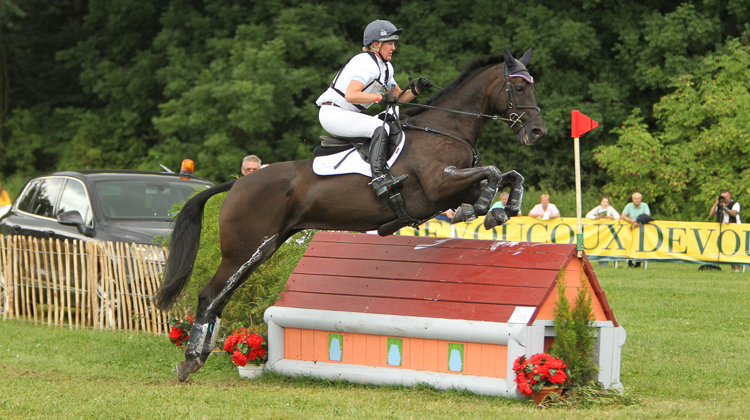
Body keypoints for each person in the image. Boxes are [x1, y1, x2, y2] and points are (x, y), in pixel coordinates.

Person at [316, 19, 433, 196]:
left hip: (346, 114)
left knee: (393, 124)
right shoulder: (365, 62)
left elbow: (399, 98)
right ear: (376, 45)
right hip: (333, 113)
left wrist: (417, 90)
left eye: (394, 43)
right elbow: (351, 95)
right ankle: (378, 178)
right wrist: (381, 97)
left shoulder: (386, 67)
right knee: (381, 127)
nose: (394, 48)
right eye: (390, 44)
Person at [709, 190, 742, 272]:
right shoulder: (719, 204)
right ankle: (733, 268)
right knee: (728, 249)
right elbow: (711, 213)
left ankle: (738, 268)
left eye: (726, 197)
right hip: (723, 229)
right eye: (723, 197)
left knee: (736, 248)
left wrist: (725, 209)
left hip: (735, 228)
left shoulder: (735, 204)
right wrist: (716, 203)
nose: (725, 199)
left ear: (729, 196)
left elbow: (734, 213)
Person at [621, 192, 651, 268]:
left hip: (641, 229)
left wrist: (638, 221)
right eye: (635, 198)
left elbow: (647, 216)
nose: (637, 200)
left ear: (640, 199)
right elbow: (623, 216)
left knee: (640, 245)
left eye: (638, 198)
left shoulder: (644, 205)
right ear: (632, 199)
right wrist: (631, 220)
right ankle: (630, 262)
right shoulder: (629, 206)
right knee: (630, 244)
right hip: (630, 228)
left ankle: (638, 262)